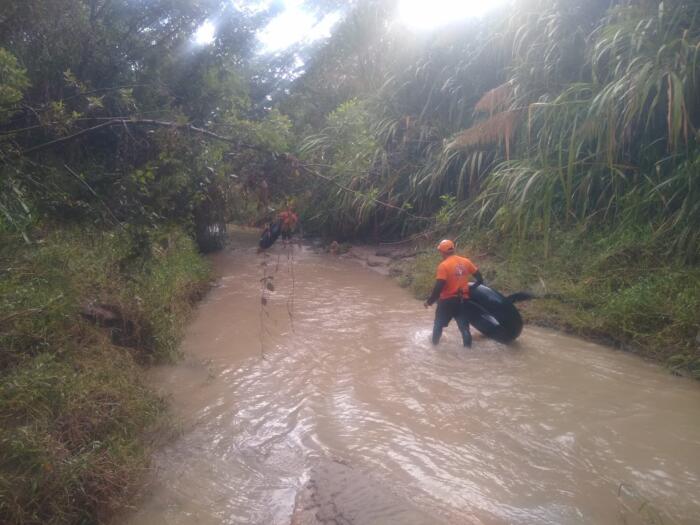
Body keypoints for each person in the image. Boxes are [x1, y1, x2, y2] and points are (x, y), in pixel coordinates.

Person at [423, 239, 484, 347]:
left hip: (447, 301)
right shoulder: (466, 261)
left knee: (438, 325)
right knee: (464, 328)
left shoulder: (444, 265)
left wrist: (429, 301)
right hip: (463, 301)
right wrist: (470, 289)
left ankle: (434, 348)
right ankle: (468, 350)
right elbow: (480, 279)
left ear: (442, 252)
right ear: (452, 249)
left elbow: (438, 287)